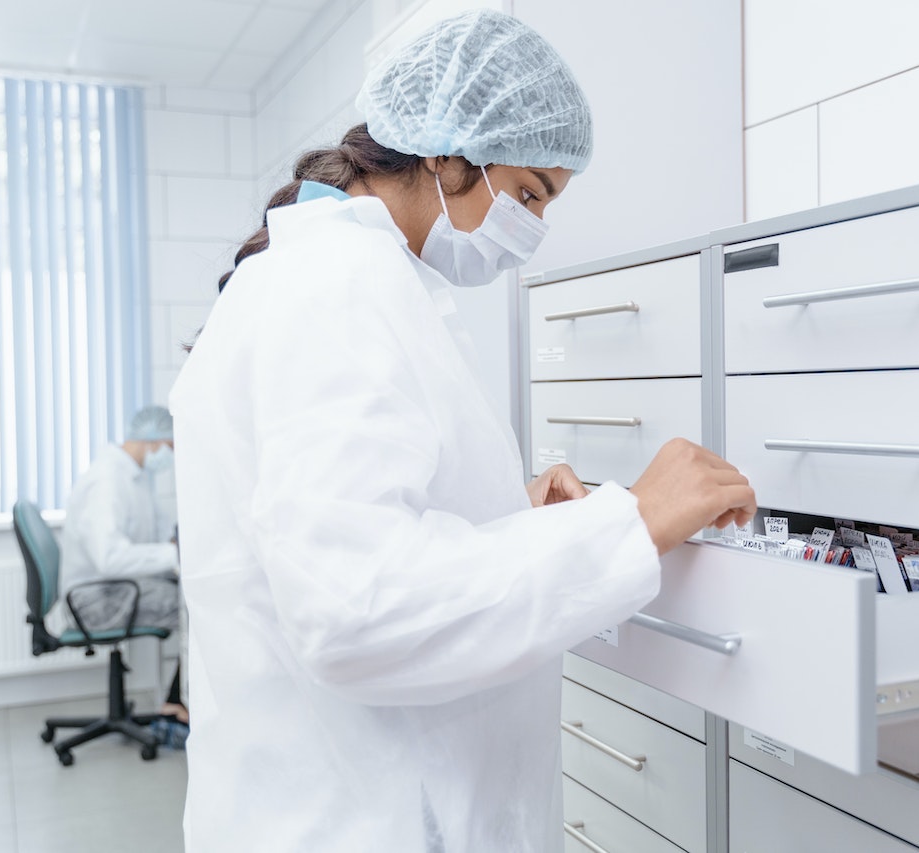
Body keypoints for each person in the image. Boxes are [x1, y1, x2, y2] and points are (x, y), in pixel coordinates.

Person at [169, 10, 755, 852]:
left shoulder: (340, 280)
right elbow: (358, 610)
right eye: (527, 193)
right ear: (447, 154)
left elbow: (331, 530)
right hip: (360, 819)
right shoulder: (337, 290)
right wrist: (625, 522)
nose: (533, 227)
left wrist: (498, 513)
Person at [58, 404, 188, 724]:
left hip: (112, 588)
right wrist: (175, 556)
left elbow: (151, 536)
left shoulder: (135, 478)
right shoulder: (107, 482)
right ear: (154, 440)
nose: (169, 457)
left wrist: (173, 549)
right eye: (170, 448)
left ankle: (176, 701)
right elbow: (109, 558)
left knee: (191, 596)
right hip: (94, 600)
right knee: (196, 606)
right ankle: (176, 704)